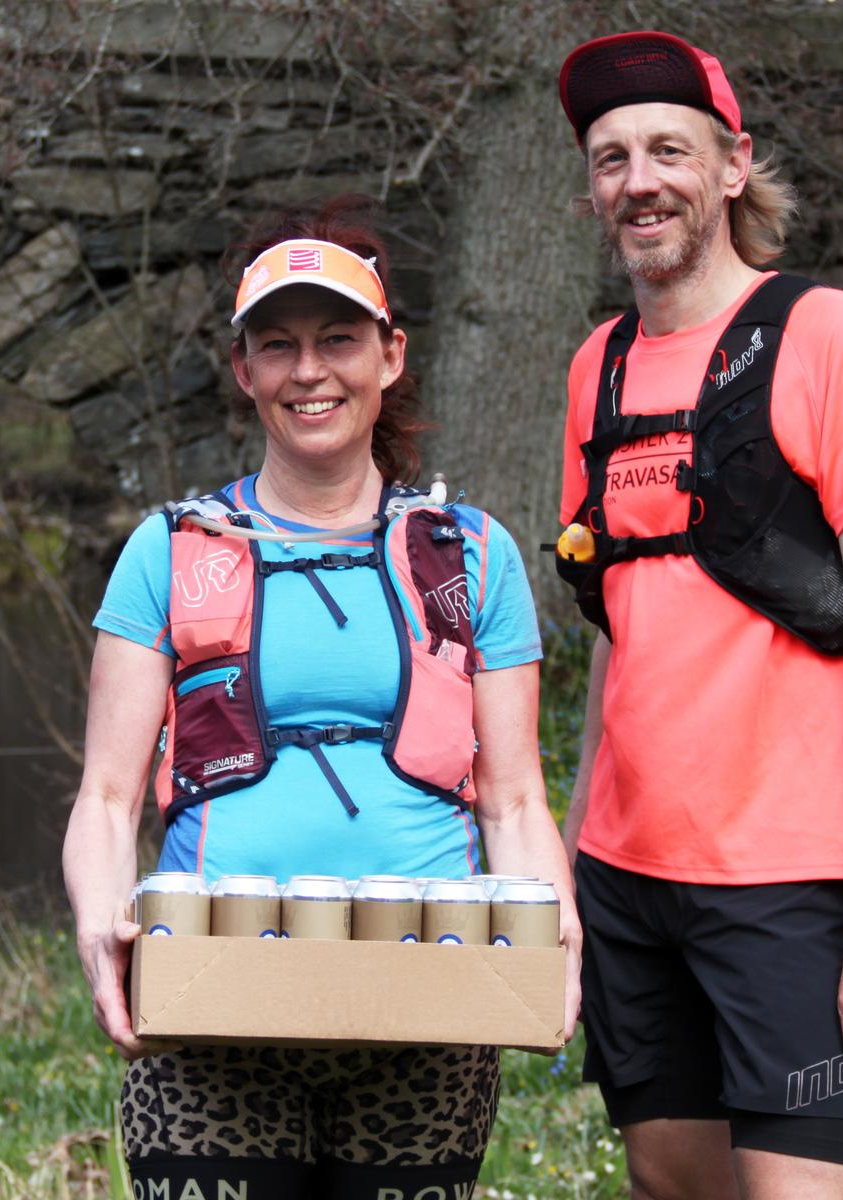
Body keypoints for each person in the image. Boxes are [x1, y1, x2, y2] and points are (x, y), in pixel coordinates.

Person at [62, 196, 581, 1200]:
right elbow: (106, 799)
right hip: (208, 996)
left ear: (388, 356)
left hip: (428, 996)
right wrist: (97, 915)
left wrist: (553, 937)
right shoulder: (166, 551)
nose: (310, 371)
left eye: (338, 339)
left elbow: (514, 802)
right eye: (279, 345)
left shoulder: (473, 555)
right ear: (243, 369)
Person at [549, 32, 843, 1199]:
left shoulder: (826, 336)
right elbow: (617, 633)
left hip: (789, 887)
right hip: (628, 878)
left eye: (669, 148)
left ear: (732, 167)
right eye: (612, 157)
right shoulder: (597, 370)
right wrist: (570, 867)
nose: (640, 180)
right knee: (671, 1184)